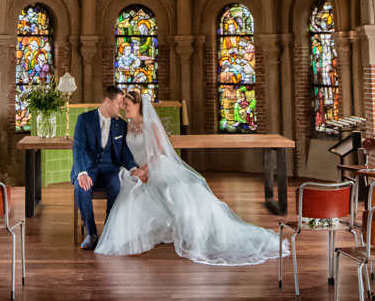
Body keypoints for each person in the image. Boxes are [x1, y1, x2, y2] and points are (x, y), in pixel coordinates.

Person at [95, 90, 287, 266]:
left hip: (155, 167)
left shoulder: (151, 125)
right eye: (123, 104)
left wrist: (145, 170)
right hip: (136, 171)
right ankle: (134, 235)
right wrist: (134, 170)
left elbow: (158, 153)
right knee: (132, 198)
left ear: (138, 106)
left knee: (175, 195)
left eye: (127, 104)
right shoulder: (126, 126)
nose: (124, 108)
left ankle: (197, 233)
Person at [71, 85, 147, 250]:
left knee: (116, 185)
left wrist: (133, 168)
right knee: (81, 188)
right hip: (88, 168)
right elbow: (78, 148)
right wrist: (82, 172)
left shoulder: (120, 124)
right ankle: (91, 233)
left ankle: (109, 230)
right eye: (119, 103)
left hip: (109, 168)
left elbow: (124, 152)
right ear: (107, 101)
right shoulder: (84, 119)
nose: (121, 106)